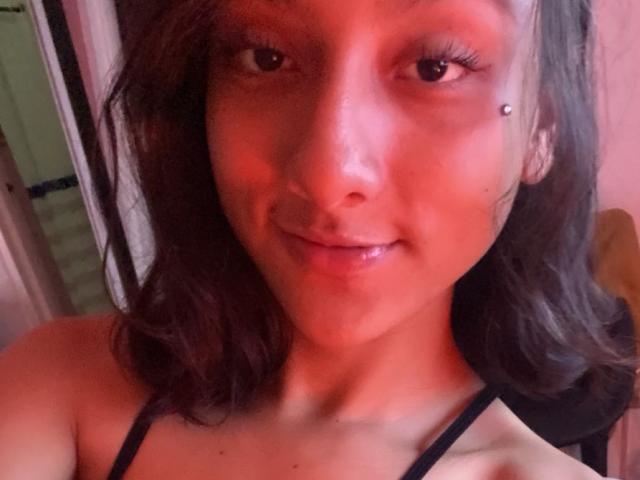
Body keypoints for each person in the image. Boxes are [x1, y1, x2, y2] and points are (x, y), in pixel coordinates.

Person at [0, 0, 635, 478]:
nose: (329, 175)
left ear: (540, 131)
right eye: (266, 57)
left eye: (434, 67)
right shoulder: (62, 383)